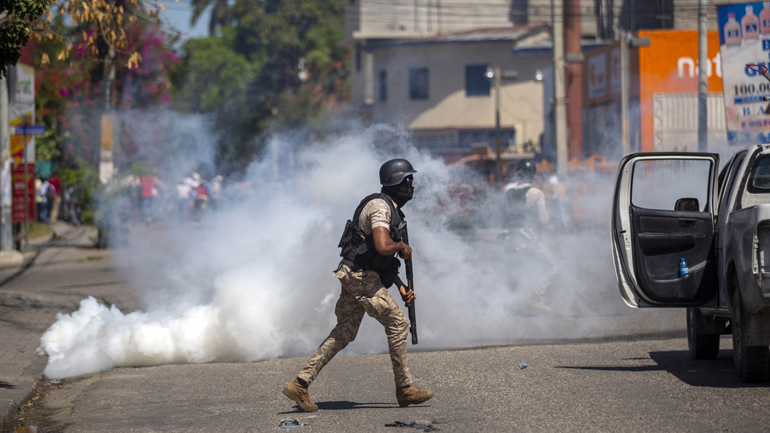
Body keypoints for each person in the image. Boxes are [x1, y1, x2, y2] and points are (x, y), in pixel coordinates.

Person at [282, 158, 434, 412]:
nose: (412, 186)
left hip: (355, 273)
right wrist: (401, 246)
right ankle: (404, 389)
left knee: (345, 331)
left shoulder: (391, 209)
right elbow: (383, 246)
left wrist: (400, 285)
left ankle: (300, 383)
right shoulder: (380, 207)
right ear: (397, 182)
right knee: (398, 324)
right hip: (361, 277)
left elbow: (380, 259)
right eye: (409, 180)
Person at [501, 160, 556, 313]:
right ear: (533, 175)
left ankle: (509, 303)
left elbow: (505, 216)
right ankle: (533, 299)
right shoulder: (536, 193)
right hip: (528, 239)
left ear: (517, 174)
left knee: (516, 270)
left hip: (510, 239)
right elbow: (543, 220)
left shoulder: (509, 193)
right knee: (551, 266)